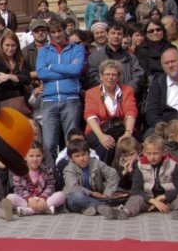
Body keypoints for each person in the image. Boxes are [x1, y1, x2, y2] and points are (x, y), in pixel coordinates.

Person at [37, 19, 85, 160]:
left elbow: (76, 70)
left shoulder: (76, 48)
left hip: (70, 99)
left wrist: (52, 67)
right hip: (49, 100)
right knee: (49, 143)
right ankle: (52, 177)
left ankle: (71, 174)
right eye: (53, 32)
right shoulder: (44, 51)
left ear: (65, 31)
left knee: (71, 142)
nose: (56, 34)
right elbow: (41, 73)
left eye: (59, 31)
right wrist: (67, 70)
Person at [83, 60, 137, 166]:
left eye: (114, 74)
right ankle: (103, 175)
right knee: (106, 145)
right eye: (107, 74)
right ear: (101, 76)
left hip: (122, 128)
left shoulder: (127, 90)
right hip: (99, 129)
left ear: (118, 77)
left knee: (131, 144)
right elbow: (90, 115)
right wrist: (101, 136)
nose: (110, 77)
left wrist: (128, 133)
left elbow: (131, 111)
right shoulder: (91, 93)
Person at [62, 139, 121, 216]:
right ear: (71, 158)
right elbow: (74, 187)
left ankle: (88, 209)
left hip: (97, 197)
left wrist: (107, 194)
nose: (81, 159)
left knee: (121, 191)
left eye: (83, 154)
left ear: (89, 154)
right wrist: (91, 193)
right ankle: (102, 206)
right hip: (75, 200)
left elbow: (112, 174)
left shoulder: (96, 163)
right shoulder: (69, 169)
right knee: (77, 196)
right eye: (77, 156)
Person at [85, 23, 146, 98]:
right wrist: (109, 90)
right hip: (103, 98)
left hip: (126, 98)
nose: (116, 36)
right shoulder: (94, 57)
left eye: (119, 34)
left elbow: (138, 76)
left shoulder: (131, 57)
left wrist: (126, 91)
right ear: (107, 35)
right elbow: (92, 77)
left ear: (123, 36)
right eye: (113, 33)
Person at [7, 145, 64, 216]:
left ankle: (29, 211)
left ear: (42, 156)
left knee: (61, 195)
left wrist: (43, 198)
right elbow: (18, 189)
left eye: (38, 156)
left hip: (43, 199)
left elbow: (50, 186)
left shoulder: (47, 169)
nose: (35, 159)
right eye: (31, 156)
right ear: (25, 157)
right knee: (10, 197)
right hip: (26, 200)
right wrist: (29, 199)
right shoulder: (19, 170)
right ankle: (45, 209)